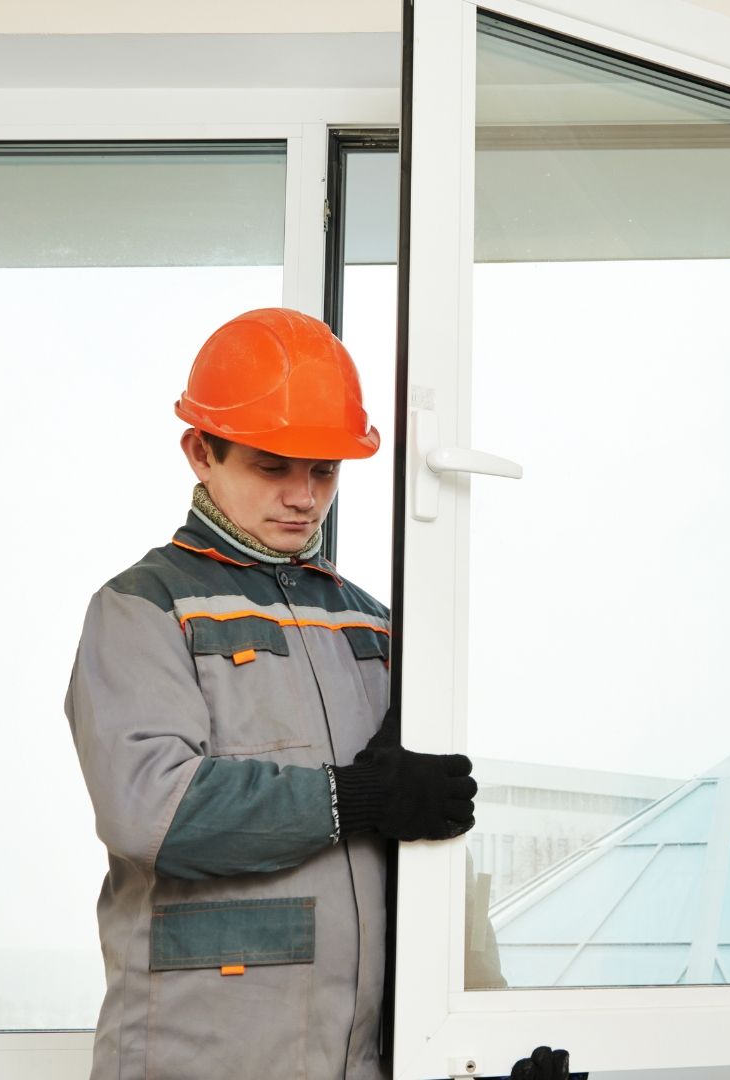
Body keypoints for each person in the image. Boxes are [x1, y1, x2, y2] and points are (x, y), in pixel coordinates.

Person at [65, 307, 575, 1080]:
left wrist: (484, 1033)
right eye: (274, 466)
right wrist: (354, 800)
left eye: (325, 470)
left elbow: (428, 841)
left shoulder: (371, 624)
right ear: (202, 451)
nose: (304, 496)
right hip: (195, 1058)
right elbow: (151, 809)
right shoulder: (142, 608)